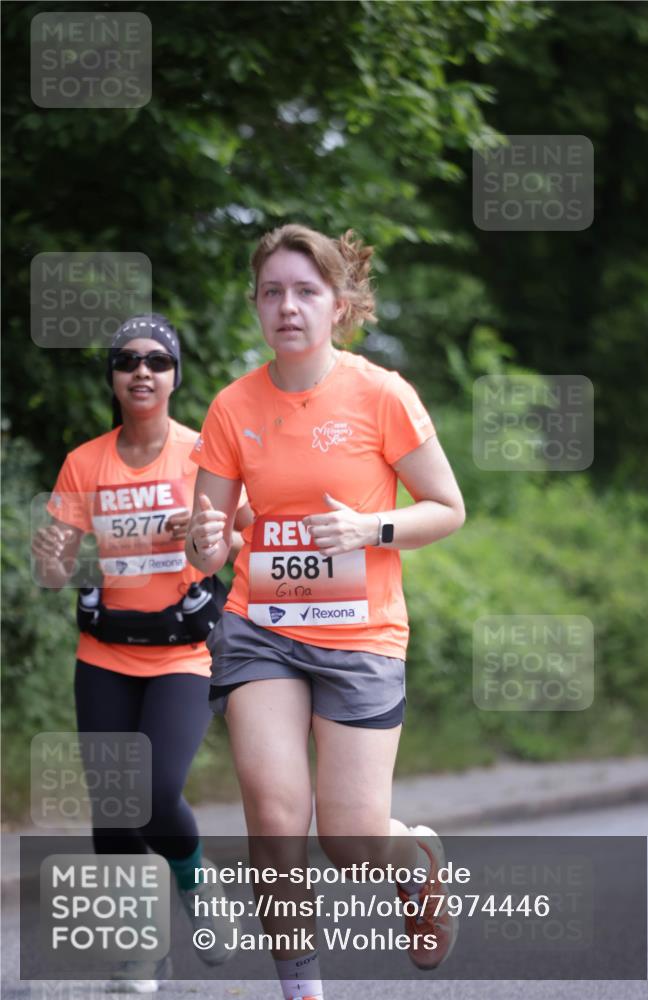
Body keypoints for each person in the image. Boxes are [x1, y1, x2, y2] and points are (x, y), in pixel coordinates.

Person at [186, 225, 466, 1000]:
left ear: (338, 306)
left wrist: (368, 528)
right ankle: (302, 993)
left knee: (349, 841)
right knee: (275, 824)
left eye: (305, 291)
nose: (287, 306)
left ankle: (415, 865)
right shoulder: (232, 407)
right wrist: (205, 538)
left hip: (361, 636)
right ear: (255, 304)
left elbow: (446, 508)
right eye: (271, 291)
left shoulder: (381, 396)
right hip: (261, 628)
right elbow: (207, 551)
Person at [32, 314, 248, 992]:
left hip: (181, 651)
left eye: (157, 361)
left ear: (175, 374)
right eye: (127, 361)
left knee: (154, 792)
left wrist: (210, 535)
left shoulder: (201, 454)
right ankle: (139, 952)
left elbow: (242, 538)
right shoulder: (84, 462)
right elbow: (56, 572)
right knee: (113, 803)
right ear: (114, 378)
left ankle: (195, 884)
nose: (142, 372)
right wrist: (50, 562)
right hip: (104, 650)